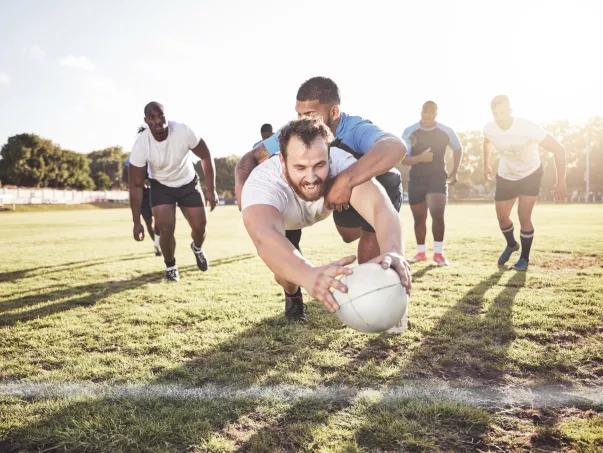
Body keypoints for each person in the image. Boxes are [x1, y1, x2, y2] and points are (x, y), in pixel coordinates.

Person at [235, 77, 407, 319]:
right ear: (282, 160)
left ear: (330, 154)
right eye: (300, 167)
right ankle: (292, 294)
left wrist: (394, 250)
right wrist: (307, 275)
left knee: (354, 227)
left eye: (319, 164)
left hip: (331, 198)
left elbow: (380, 206)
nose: (311, 176)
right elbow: (266, 239)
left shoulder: (342, 152)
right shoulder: (264, 183)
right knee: (287, 273)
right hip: (285, 211)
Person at [128, 101, 218, 281]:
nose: (159, 124)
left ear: (166, 116)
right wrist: (136, 221)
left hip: (187, 183)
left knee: (200, 227)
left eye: (161, 118)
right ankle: (171, 266)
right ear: (146, 121)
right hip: (161, 187)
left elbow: (205, 156)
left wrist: (211, 189)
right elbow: (136, 185)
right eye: (152, 119)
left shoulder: (183, 131)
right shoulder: (141, 144)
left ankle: (197, 248)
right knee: (166, 228)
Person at [483, 95, 566, 271]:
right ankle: (512, 244)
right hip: (506, 175)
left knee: (523, 216)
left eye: (504, 112)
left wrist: (561, 182)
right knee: (502, 217)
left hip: (530, 174)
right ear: (493, 114)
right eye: (497, 113)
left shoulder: (527, 127)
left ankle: (524, 259)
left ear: (510, 110)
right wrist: (486, 164)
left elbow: (559, 149)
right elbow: (487, 142)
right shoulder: (489, 128)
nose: (501, 117)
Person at [402, 101, 463, 266]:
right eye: (424, 111)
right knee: (419, 218)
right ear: (420, 111)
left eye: (431, 112)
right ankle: (420, 253)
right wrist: (420, 158)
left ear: (436, 113)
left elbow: (458, 148)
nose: (427, 115)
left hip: (437, 178)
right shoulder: (410, 131)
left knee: (437, 214)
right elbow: (403, 159)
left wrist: (454, 171)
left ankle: (438, 254)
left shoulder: (445, 131)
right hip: (417, 179)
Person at [124, 157, 161, 256]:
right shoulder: (129, 162)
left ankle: (159, 244)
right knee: (149, 223)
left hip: (154, 192)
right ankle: (157, 245)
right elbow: (129, 181)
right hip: (142, 196)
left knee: (159, 221)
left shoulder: (152, 156)